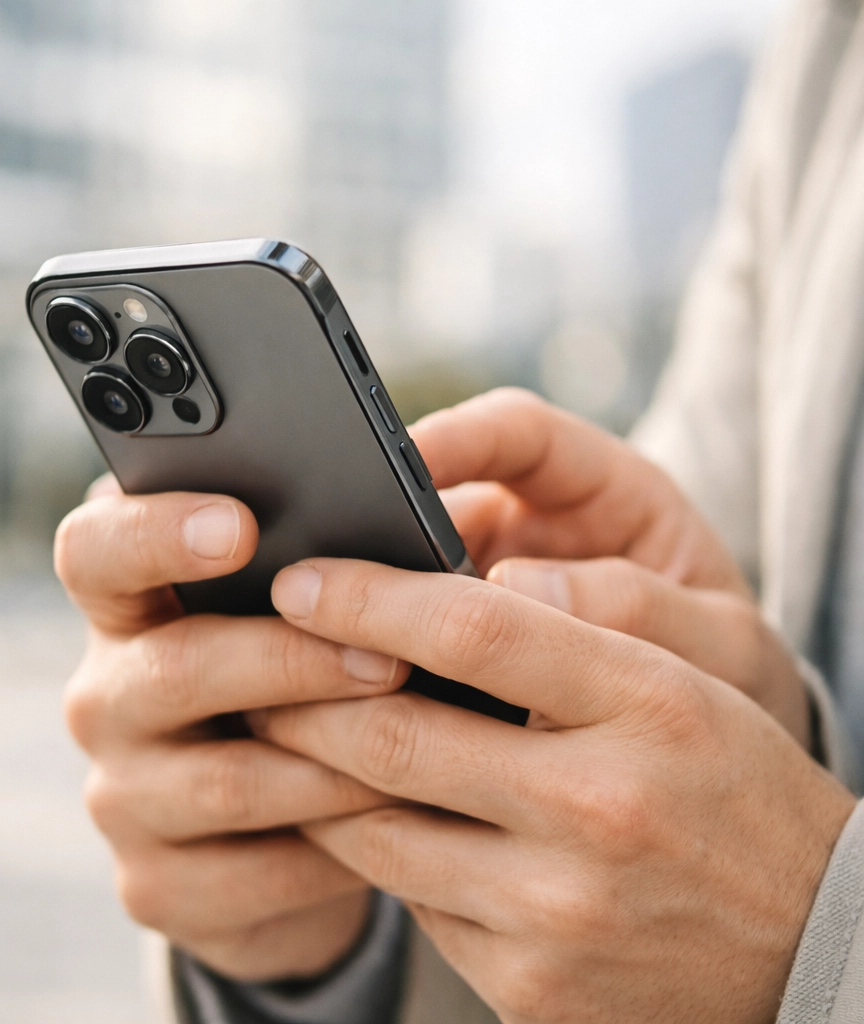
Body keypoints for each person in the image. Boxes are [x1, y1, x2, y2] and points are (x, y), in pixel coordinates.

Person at [54, 1, 864, 1021]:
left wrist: (817, 941)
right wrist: (319, 958)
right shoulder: (829, 51)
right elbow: (687, 793)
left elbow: (751, 893)